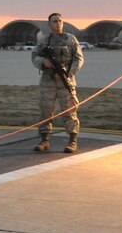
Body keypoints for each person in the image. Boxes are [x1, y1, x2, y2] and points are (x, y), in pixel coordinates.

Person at [31, 13, 84, 153]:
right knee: (45, 110)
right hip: (48, 80)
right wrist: (43, 62)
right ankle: (44, 139)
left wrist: (68, 74)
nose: (58, 23)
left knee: (70, 111)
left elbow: (79, 59)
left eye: (60, 21)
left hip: (66, 81)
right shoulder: (44, 40)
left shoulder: (70, 39)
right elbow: (35, 56)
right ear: (49, 24)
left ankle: (72, 140)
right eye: (55, 21)